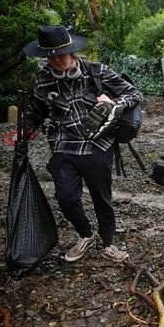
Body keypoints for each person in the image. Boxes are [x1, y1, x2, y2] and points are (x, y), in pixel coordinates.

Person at [22, 25, 143, 263]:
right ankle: (86, 234)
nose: (56, 59)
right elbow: (36, 111)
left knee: (102, 197)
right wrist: (24, 131)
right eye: (50, 55)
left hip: (98, 145)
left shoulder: (98, 72)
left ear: (72, 51)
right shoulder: (42, 81)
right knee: (65, 197)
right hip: (63, 145)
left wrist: (114, 103)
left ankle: (109, 243)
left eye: (61, 53)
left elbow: (134, 94)